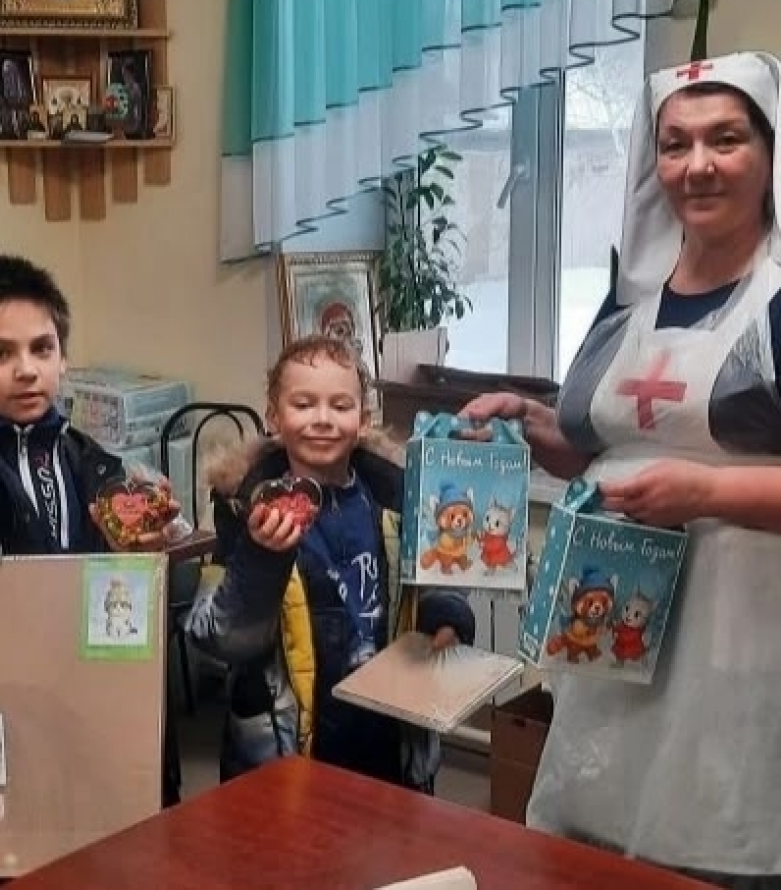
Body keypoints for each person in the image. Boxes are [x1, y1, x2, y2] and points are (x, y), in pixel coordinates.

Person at [459, 51, 781, 887]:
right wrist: (534, 427)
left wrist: (706, 492)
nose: (696, 166)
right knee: (593, 848)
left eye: (725, 139)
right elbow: (611, 447)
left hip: (743, 636)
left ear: (770, 151)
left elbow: (687, 467)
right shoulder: (631, 297)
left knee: (711, 845)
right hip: (613, 628)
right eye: (674, 145)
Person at [0, 254, 176, 890]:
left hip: (70, 735)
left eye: (41, 348)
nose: (26, 368)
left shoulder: (85, 460)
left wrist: (140, 546)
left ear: (63, 358)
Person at [188, 333, 475, 790]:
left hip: (387, 737)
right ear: (274, 417)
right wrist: (261, 558)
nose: (322, 419)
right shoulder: (242, 509)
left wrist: (445, 614)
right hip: (286, 750)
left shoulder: (399, 500)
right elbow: (220, 637)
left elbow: (433, 579)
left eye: (340, 406)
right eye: (303, 404)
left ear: (363, 419)